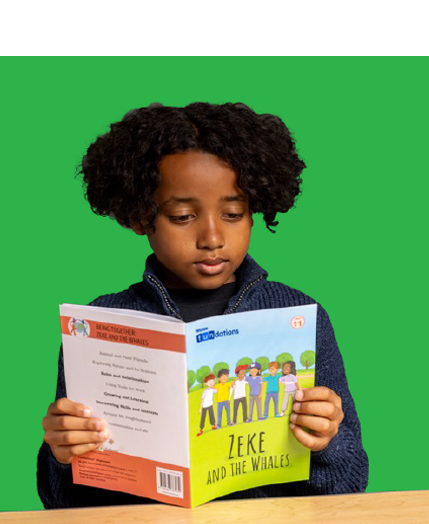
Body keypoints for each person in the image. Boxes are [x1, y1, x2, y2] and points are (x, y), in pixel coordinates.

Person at [38, 102, 368, 509]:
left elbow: (352, 484)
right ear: (142, 217)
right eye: (182, 216)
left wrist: (327, 441)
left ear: (253, 213)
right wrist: (61, 453)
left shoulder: (299, 315)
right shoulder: (98, 325)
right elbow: (60, 503)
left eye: (232, 213)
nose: (212, 236)